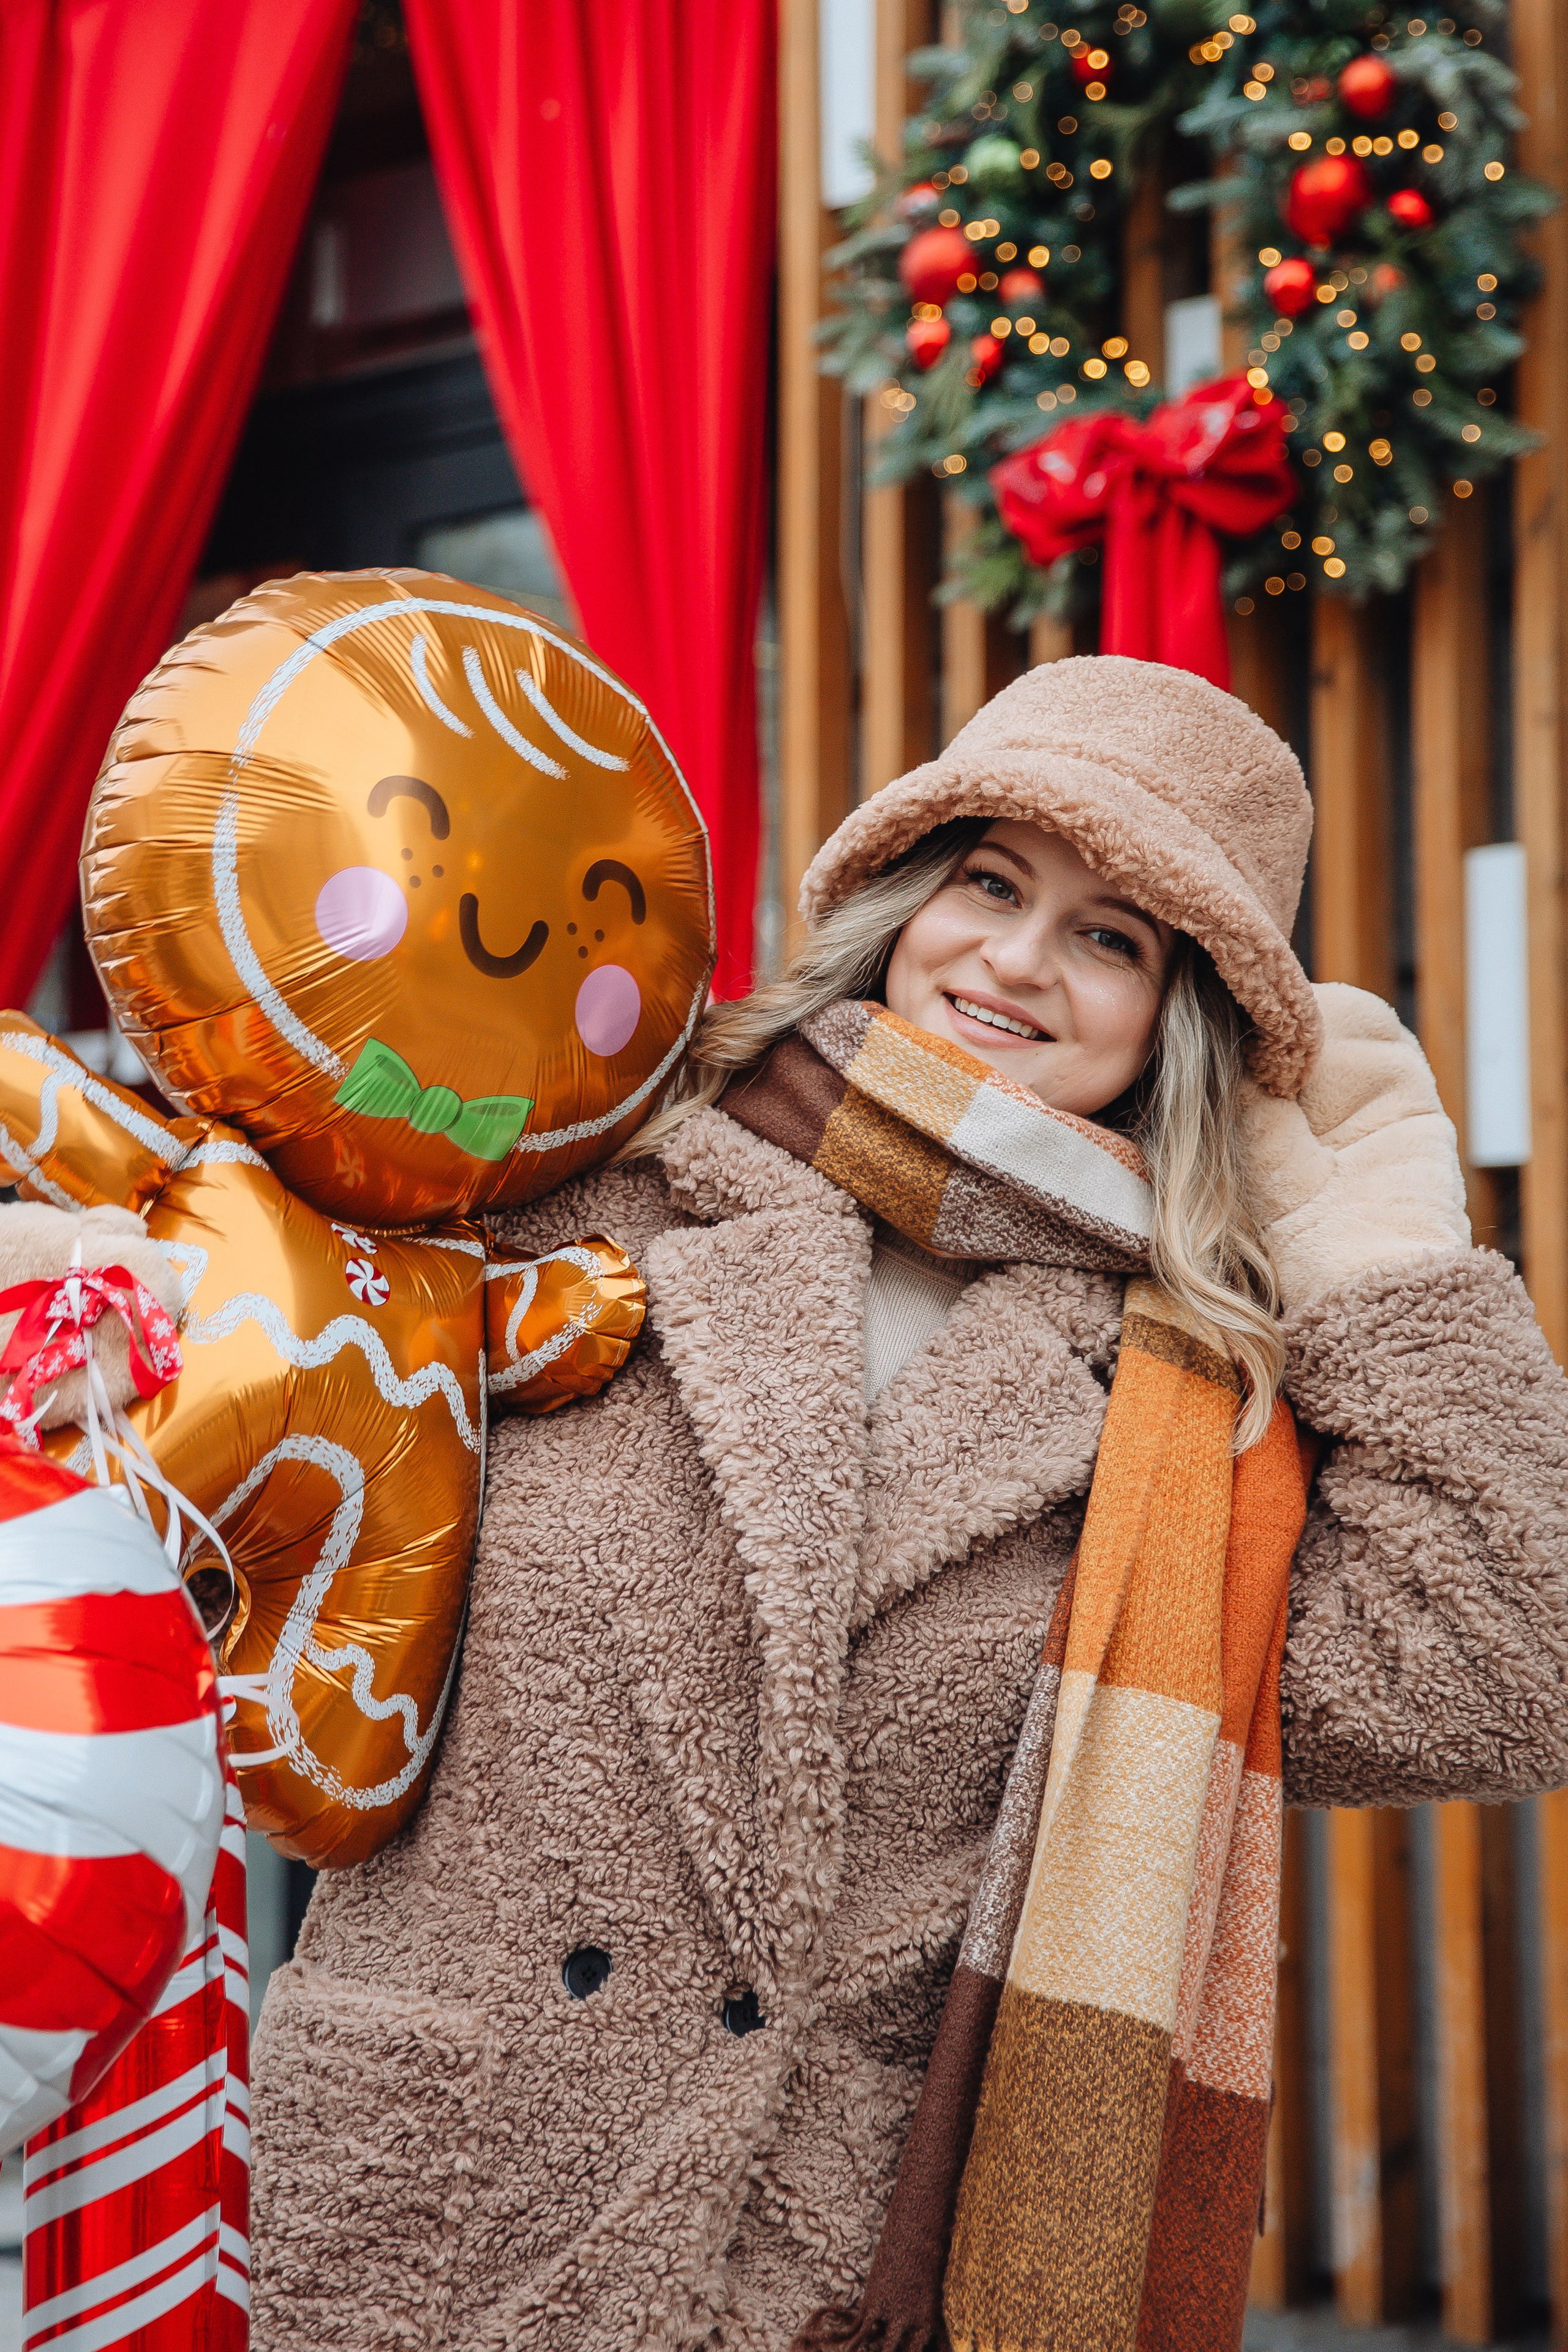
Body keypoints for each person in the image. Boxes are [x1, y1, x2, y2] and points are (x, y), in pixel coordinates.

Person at [251, 657, 1568, 2352]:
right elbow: (255, 1418)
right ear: (900, 896)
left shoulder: (1183, 1401)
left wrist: (1377, 1264)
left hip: (833, 2260)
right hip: (440, 2204)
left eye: (1112, 937)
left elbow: (1493, 1669)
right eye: (992, 883)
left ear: (1183, 1022)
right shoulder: (588, 1171)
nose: (1020, 961)